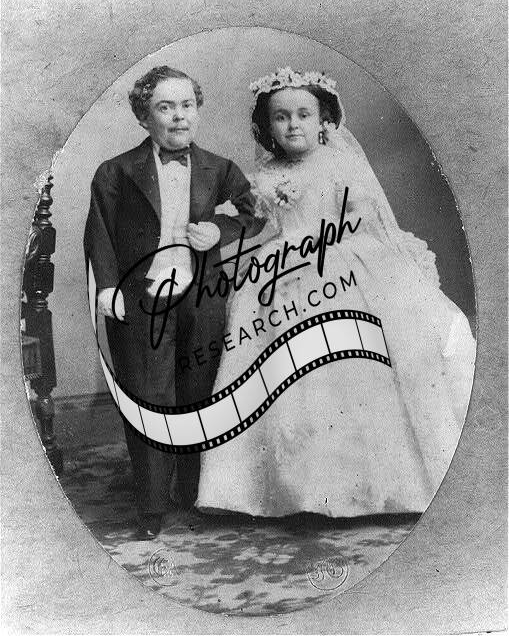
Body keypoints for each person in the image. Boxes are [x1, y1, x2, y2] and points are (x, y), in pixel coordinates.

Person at [196, 67, 476, 518]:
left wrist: (321, 250)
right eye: (281, 117)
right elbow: (256, 223)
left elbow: (365, 222)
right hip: (280, 272)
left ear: (324, 120)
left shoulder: (341, 165)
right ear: (267, 126)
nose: (293, 125)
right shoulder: (265, 174)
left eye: (303, 115)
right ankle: (294, 491)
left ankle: (369, 487)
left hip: (341, 264)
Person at [84, 66, 264, 539]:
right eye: (165, 107)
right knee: (149, 395)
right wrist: (108, 288)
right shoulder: (115, 171)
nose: (179, 116)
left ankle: (195, 494)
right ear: (144, 117)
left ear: (198, 111)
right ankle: (151, 507)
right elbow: (99, 233)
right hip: (142, 296)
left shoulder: (219, 168)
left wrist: (220, 231)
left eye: (187, 105)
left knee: (199, 392)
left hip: (202, 295)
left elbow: (257, 214)